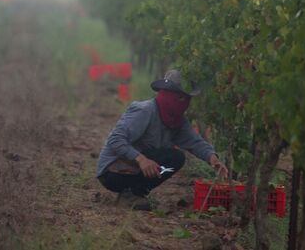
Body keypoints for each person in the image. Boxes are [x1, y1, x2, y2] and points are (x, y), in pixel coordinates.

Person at [96, 69, 229, 210]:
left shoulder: (177, 120)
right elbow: (115, 139)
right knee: (170, 156)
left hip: (134, 167)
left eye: (186, 98)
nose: (183, 102)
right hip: (112, 172)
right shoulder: (145, 111)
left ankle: (137, 193)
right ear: (168, 94)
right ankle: (129, 194)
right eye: (180, 97)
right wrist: (141, 159)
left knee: (175, 159)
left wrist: (212, 158)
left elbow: (194, 141)